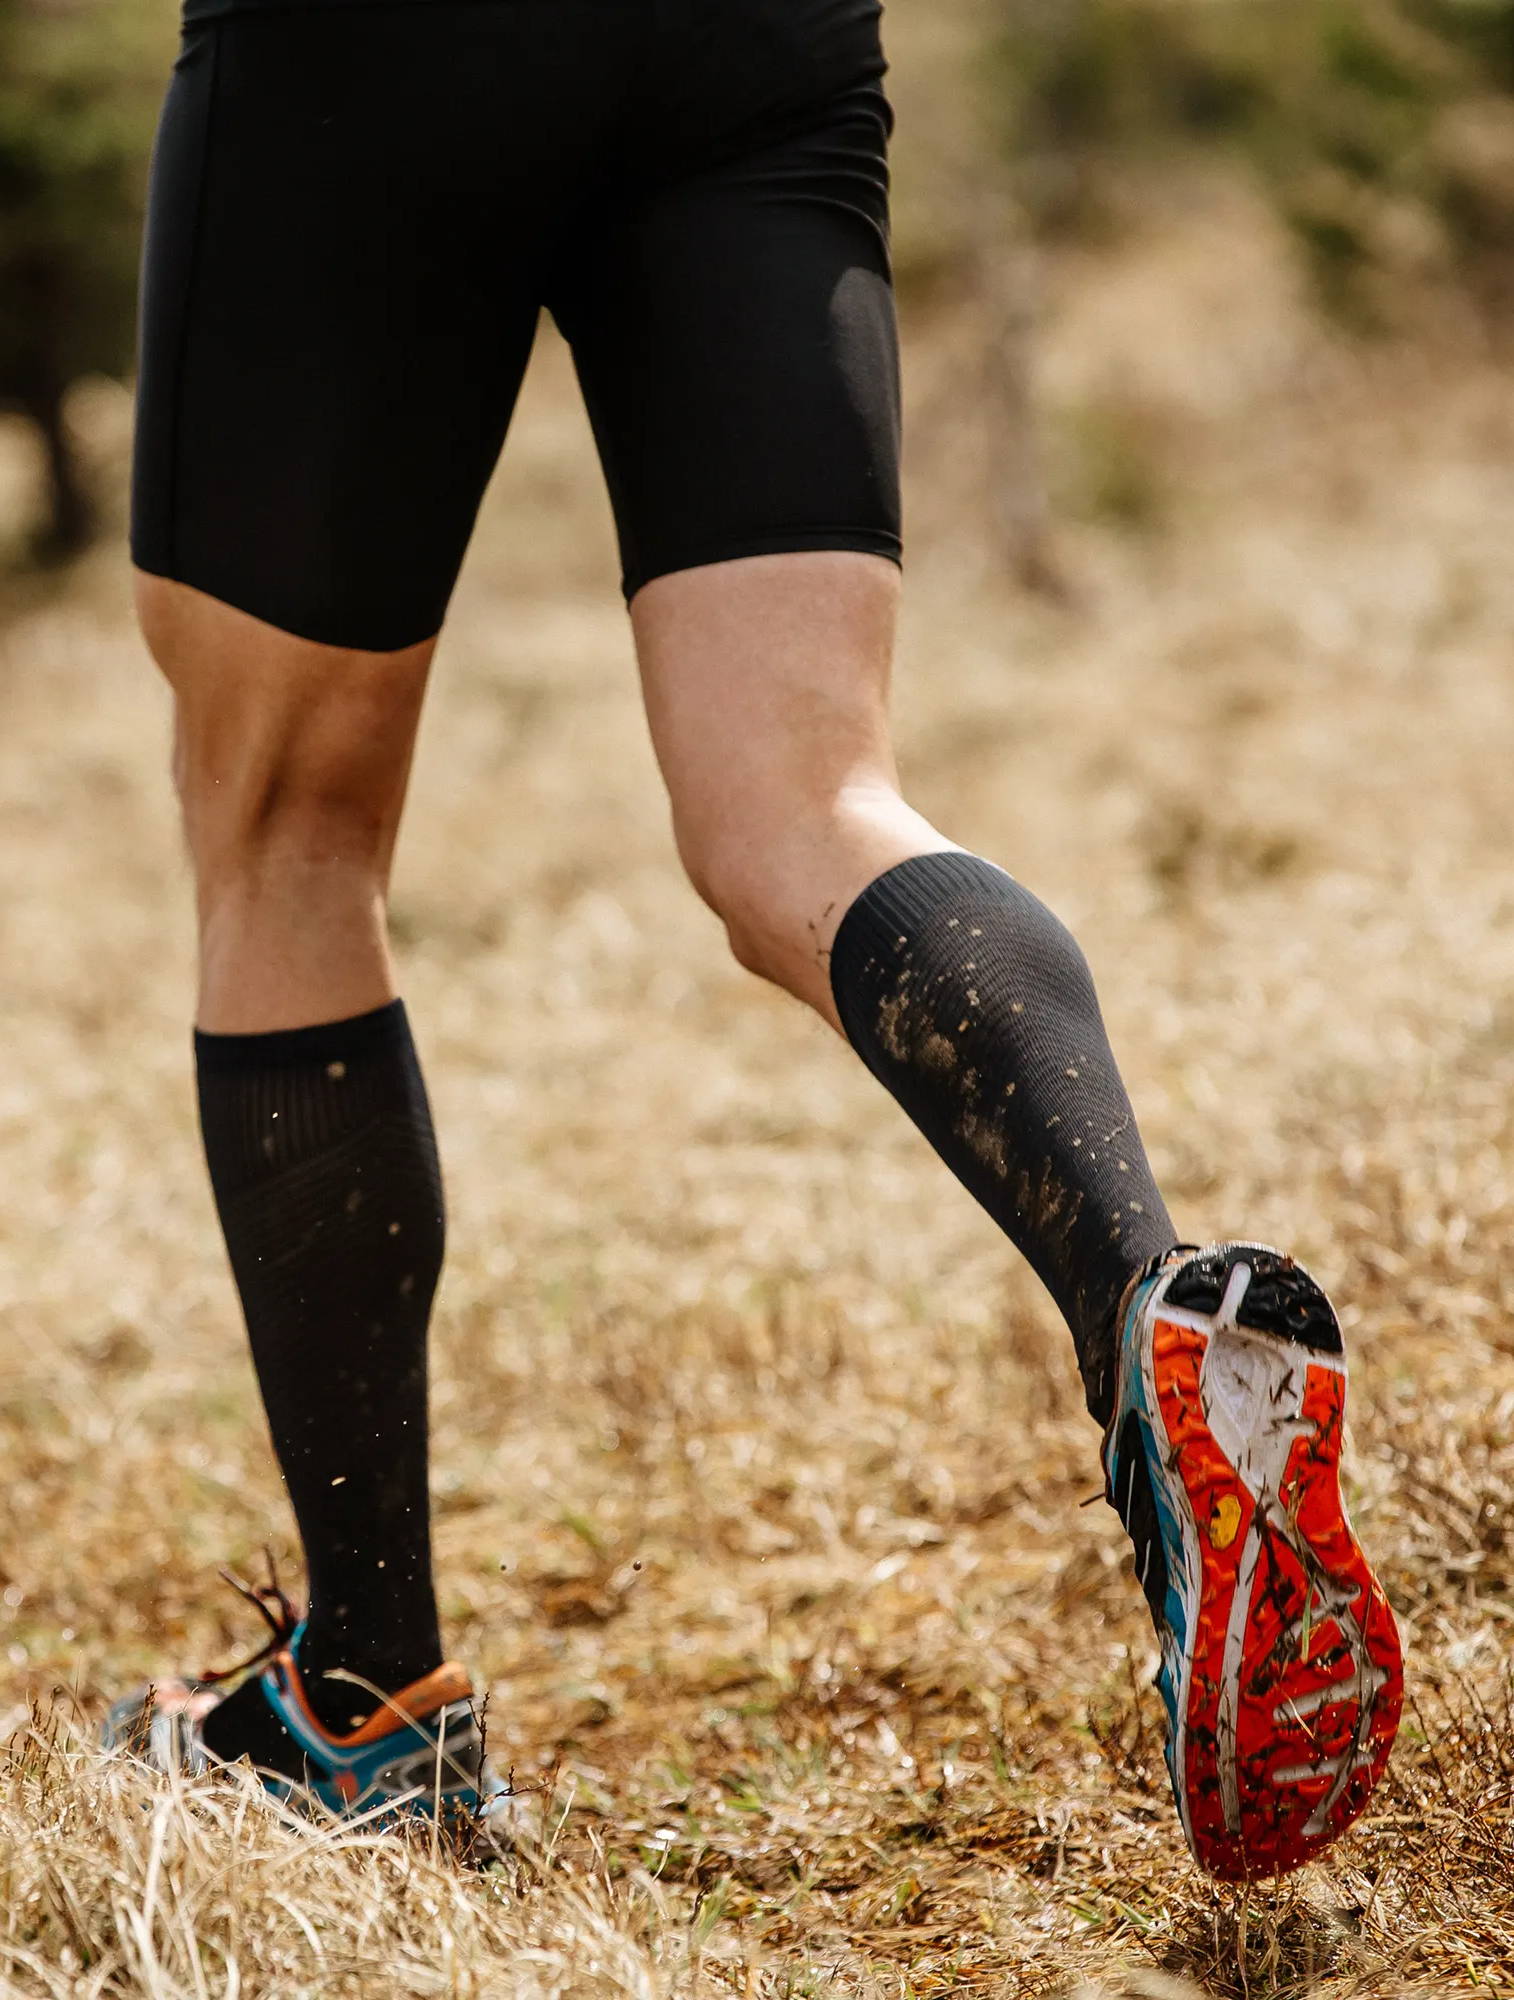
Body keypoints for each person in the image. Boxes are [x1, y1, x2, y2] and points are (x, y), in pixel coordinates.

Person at [106, 0, 1401, 1877]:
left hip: (368, 58)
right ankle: (1149, 1315)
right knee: (812, 810)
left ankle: (365, 1706)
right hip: (749, 40)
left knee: (284, 832)